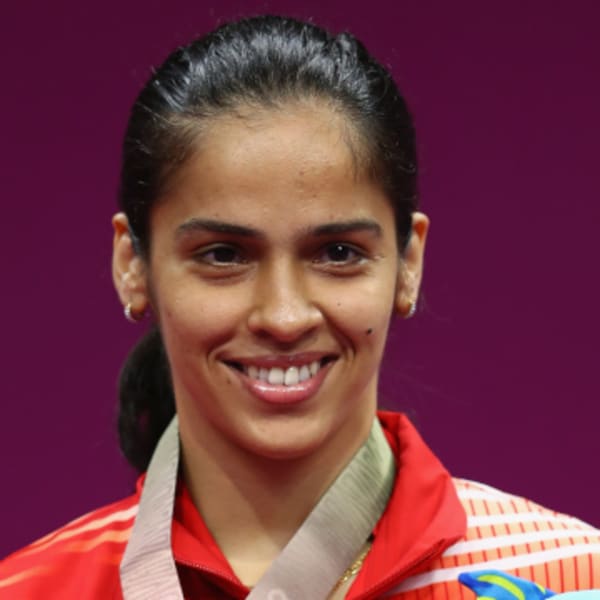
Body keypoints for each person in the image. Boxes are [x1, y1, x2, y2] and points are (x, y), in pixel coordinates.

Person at [1, 15, 598, 600]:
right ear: (133, 265)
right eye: (223, 254)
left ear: (408, 262)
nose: (284, 318)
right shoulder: (31, 590)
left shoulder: (572, 575)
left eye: (337, 252)